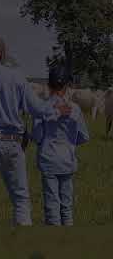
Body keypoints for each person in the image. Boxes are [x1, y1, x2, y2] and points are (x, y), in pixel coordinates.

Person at [0, 36, 72, 226]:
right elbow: (37, 109)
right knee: (20, 198)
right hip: (12, 143)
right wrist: (57, 110)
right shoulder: (16, 76)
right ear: (1, 54)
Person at [32, 66, 89, 226]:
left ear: (48, 85)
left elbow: (37, 136)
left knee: (51, 207)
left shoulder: (41, 109)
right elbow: (84, 137)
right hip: (67, 161)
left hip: (48, 160)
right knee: (66, 207)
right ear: (67, 86)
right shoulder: (75, 109)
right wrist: (70, 142)